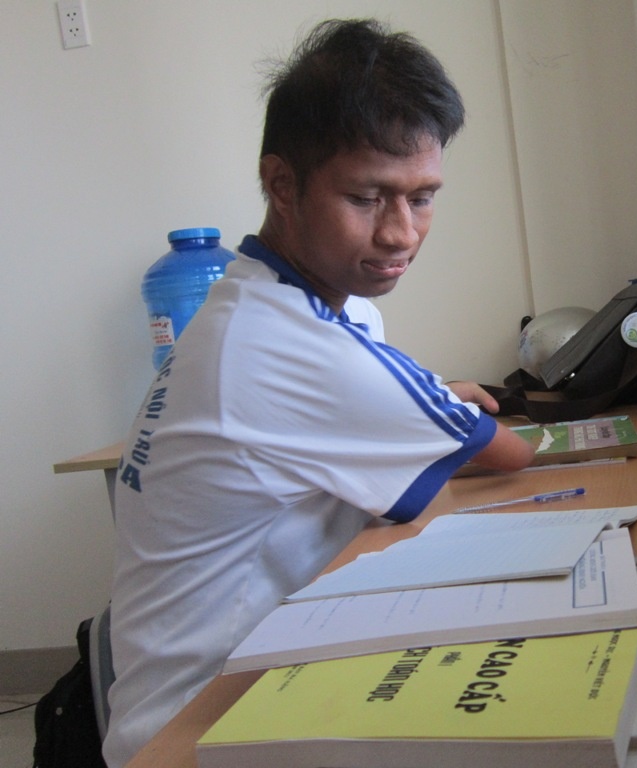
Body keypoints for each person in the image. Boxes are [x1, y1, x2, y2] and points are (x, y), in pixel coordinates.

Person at [103, 19, 535, 767]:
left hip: (250, 680)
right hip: (197, 729)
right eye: (367, 198)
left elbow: (345, 403)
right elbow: (510, 454)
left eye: (423, 198)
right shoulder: (275, 339)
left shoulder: (266, 302)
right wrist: (434, 411)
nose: (401, 233)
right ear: (282, 184)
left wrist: (424, 399)